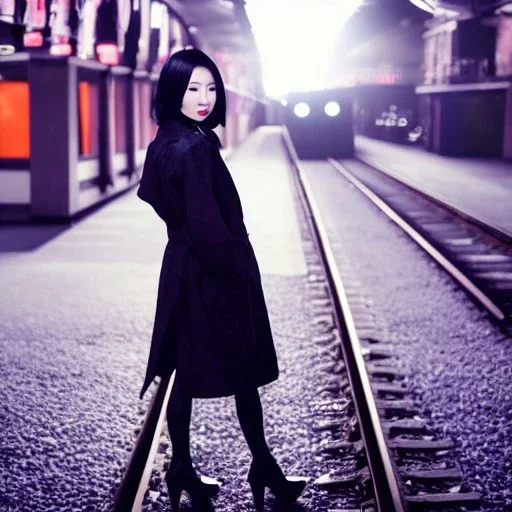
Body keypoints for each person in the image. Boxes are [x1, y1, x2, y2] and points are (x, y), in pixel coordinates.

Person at [137, 48, 306, 511]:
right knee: (244, 369)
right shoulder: (195, 148)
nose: (204, 98)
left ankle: (183, 468)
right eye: (192, 88)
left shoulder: (165, 142)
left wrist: (187, 235)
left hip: (180, 270)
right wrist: (233, 269)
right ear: (173, 91)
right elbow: (209, 224)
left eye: (211, 87)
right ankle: (262, 465)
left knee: (181, 374)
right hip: (214, 274)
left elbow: (153, 195)